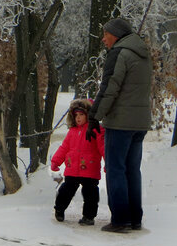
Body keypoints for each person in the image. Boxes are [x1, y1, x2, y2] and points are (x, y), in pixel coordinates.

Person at [88, 17, 153, 233]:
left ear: (115, 34)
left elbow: (109, 88)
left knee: (115, 169)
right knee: (132, 170)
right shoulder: (142, 54)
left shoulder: (119, 53)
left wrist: (94, 116)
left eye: (106, 34)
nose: (104, 39)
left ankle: (120, 220)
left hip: (121, 122)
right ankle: (134, 218)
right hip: (140, 122)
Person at [50, 98, 105, 225]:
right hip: (72, 168)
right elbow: (64, 147)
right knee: (66, 190)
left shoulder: (95, 130)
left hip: (90, 168)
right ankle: (59, 209)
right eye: (76, 115)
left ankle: (89, 216)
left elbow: (103, 147)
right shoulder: (72, 132)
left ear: (89, 115)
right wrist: (56, 161)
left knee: (90, 194)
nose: (78, 118)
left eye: (81, 115)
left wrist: (109, 163)